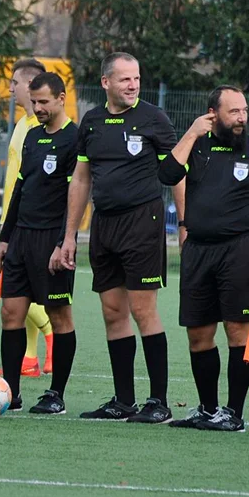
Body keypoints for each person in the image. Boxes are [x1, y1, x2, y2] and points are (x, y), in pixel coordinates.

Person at [59, 52, 182, 423]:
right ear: (106, 83)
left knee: (143, 310)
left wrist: (187, 223)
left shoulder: (153, 119)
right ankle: (123, 401)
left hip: (142, 222)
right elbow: (82, 179)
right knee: (113, 312)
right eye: (125, 79)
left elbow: (177, 173)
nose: (133, 85)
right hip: (104, 226)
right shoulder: (92, 121)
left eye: (137, 79)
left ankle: (158, 402)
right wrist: (70, 234)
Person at [159, 86, 249, 432]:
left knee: (238, 332)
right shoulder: (195, 147)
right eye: (234, 112)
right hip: (197, 251)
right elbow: (166, 175)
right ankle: (207, 409)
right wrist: (191, 132)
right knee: (198, 334)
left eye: (244, 111)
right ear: (213, 114)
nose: (242, 118)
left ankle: (234, 414)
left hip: (240, 252)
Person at [0, 72, 78, 414]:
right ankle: (11, 393)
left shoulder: (76, 139)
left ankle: (55, 394)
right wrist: (5, 237)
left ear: (61, 98)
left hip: (52, 241)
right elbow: (19, 190)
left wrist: (64, 241)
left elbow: (76, 198)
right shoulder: (31, 136)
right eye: (34, 102)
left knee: (58, 315)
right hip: (21, 239)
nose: (38, 108)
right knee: (11, 312)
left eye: (44, 101)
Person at [0, 58, 54, 378]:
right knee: (20, 291)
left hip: (33, 224)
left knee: (19, 293)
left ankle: (51, 335)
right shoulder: (21, 124)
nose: (10, 89)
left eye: (14, 83)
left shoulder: (39, 128)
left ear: (30, 86)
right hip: (14, 219)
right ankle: (28, 359)